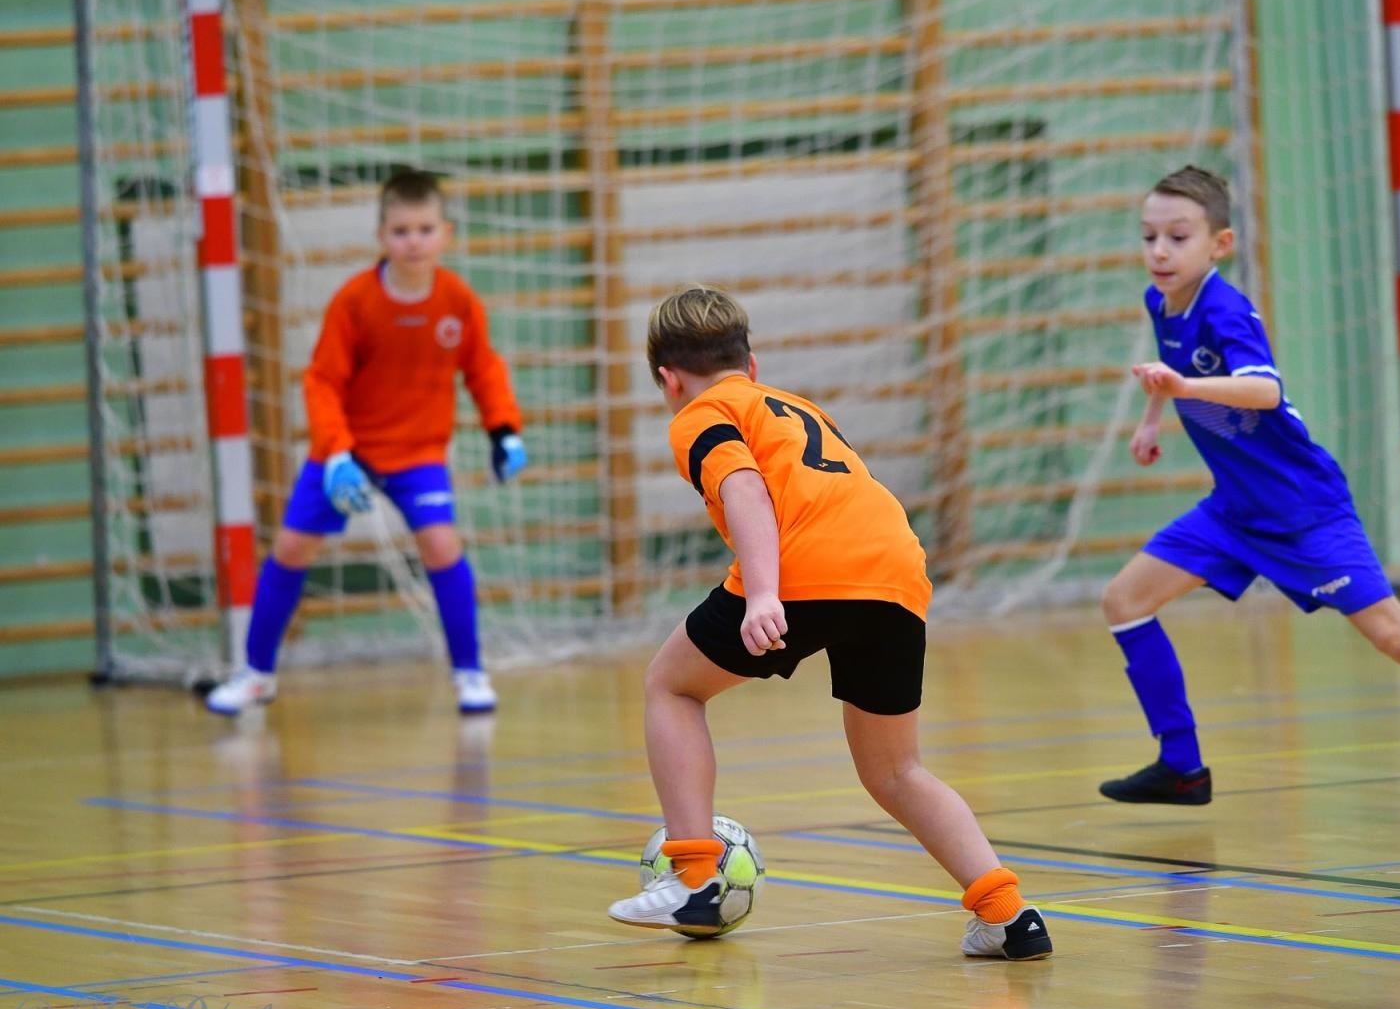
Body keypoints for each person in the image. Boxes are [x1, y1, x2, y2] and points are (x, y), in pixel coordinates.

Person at [1097, 165, 1400, 813]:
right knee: (1125, 599)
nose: (1159, 251)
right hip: (1235, 511)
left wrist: (1182, 391)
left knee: (1391, 634)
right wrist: (1153, 420)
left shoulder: (1224, 308)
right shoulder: (1161, 302)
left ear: (1219, 244)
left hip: (1304, 512)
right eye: (1149, 236)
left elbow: (1264, 390)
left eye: (1178, 237)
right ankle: (1182, 768)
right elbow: (1171, 375)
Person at [605, 286, 1053, 959]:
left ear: (667, 380)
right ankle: (1008, 914)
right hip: (897, 568)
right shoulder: (794, 407)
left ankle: (696, 874)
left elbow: (746, 489)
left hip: (805, 565)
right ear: (751, 364)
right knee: (897, 770)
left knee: (672, 687)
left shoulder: (700, 414)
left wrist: (762, 596)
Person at [204, 169, 526, 717]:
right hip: (346, 454)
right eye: (401, 230)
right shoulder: (354, 302)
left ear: (445, 234)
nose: (414, 241)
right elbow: (321, 381)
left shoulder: (458, 301)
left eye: (425, 228)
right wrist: (335, 454)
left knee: (442, 547)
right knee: (289, 549)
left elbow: (483, 369)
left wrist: (504, 428)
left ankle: (470, 673)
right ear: (382, 236)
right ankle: (256, 673)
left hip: (418, 454)